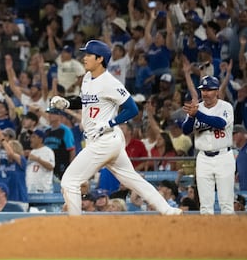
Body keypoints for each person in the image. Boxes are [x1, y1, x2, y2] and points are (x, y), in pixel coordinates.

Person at [49, 40, 182, 215]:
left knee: (69, 181)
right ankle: (168, 210)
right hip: (104, 141)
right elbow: (85, 100)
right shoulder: (88, 78)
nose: (84, 57)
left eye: (88, 54)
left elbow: (132, 108)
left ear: (100, 59)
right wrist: (67, 102)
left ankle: (75, 225)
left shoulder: (110, 82)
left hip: (104, 140)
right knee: (133, 180)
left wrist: (110, 122)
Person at [182, 75, 235, 214]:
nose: (205, 93)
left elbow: (220, 123)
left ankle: (229, 235)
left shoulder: (226, 106)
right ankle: (208, 235)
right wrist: (192, 116)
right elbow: (185, 130)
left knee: (226, 205)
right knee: (205, 206)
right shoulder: (196, 108)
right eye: (203, 90)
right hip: (203, 158)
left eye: (209, 89)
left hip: (224, 157)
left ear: (217, 91)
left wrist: (197, 114)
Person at [25, 129, 55, 194]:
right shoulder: (32, 152)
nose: (30, 139)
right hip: (30, 189)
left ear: (40, 139)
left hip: (43, 189)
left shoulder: (48, 151)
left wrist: (37, 159)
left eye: (33, 137)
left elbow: (51, 167)